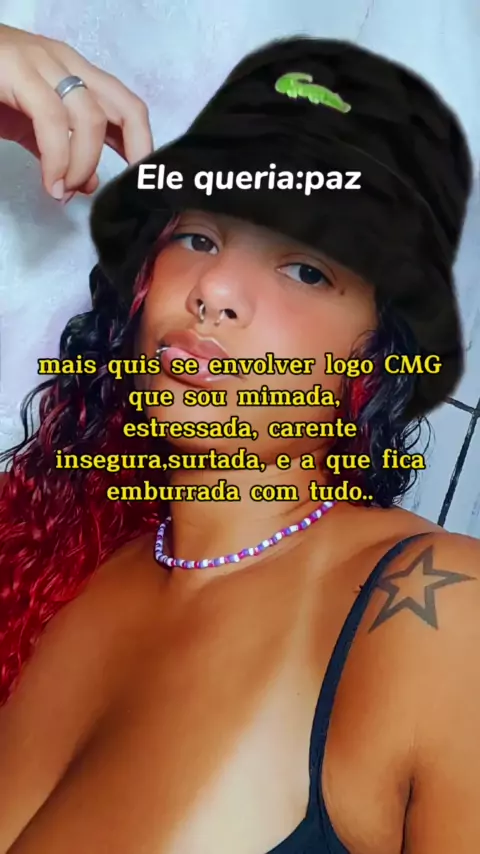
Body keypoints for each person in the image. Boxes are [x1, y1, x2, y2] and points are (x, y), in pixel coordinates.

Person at [0, 22, 479, 854]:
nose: (215, 287)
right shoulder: (59, 571)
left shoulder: (439, 611)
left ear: (378, 352)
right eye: (199, 236)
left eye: (307, 269)